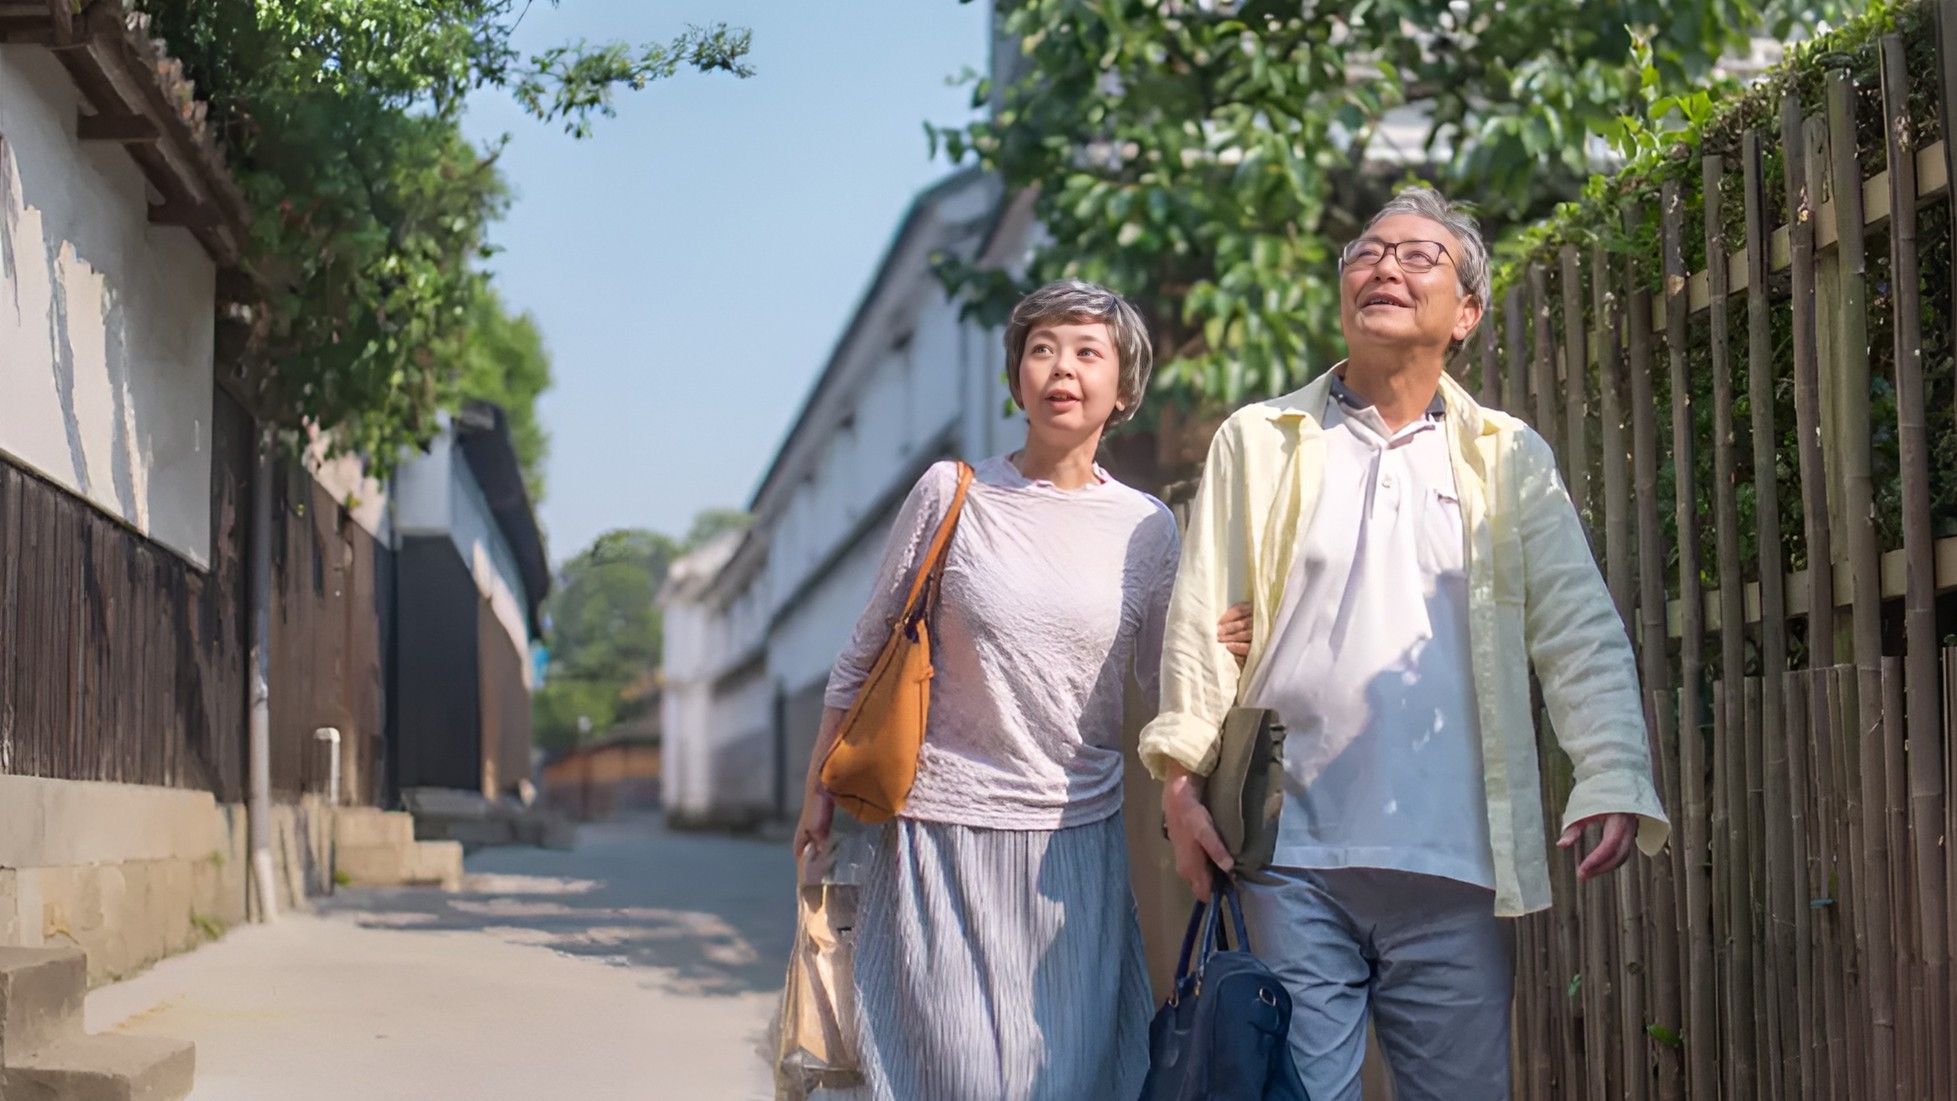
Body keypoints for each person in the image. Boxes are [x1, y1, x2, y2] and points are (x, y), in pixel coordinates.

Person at [1142, 186, 1672, 1101]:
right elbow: (1200, 620)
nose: (1383, 265)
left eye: (1418, 255)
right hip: (1290, 853)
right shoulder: (1259, 441)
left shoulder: (1508, 457)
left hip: (1455, 862)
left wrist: (1611, 767)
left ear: (1464, 313)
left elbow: (1575, 624)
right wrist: (1181, 782)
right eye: (1366, 252)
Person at [795, 280, 1234, 1101]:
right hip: (940, 833)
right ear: (1015, 378)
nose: (1059, 368)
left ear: (1122, 387)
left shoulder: (1146, 527)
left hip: (1075, 846)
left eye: (1084, 351)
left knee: (1060, 1078)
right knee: (959, 1076)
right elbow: (863, 651)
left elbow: (1163, 677)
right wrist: (818, 790)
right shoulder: (952, 494)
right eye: (1040, 349)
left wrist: (1227, 641)